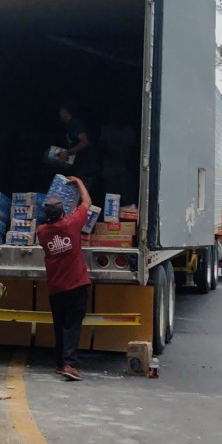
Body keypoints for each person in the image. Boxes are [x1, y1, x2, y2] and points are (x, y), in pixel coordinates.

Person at [36, 177, 92, 381]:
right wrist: (79, 182)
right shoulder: (72, 224)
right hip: (75, 285)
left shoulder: (42, 232)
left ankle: (60, 362)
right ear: (63, 212)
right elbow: (87, 202)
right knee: (72, 325)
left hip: (56, 288)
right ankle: (69, 364)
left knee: (59, 325)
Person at [99, 109, 137, 206]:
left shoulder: (129, 131)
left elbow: (133, 149)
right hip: (109, 169)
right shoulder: (106, 130)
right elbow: (102, 147)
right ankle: (111, 220)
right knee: (111, 198)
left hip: (124, 169)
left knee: (127, 195)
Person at [58, 103, 98, 192]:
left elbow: (85, 142)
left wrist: (68, 152)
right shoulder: (68, 126)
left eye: (60, 111)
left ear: (65, 112)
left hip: (86, 167)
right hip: (79, 168)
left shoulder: (75, 124)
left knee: (83, 194)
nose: (59, 114)